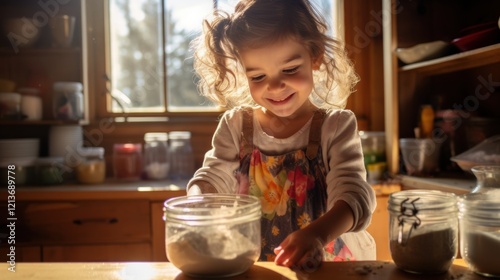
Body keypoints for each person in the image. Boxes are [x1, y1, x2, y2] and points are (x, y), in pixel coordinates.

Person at [187, 0, 376, 269]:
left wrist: (316, 234)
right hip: (255, 266)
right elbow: (213, 178)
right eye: (257, 76)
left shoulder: (335, 127)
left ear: (315, 56)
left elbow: (354, 196)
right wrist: (195, 202)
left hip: (330, 267)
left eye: (289, 69)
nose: (275, 87)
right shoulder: (236, 126)